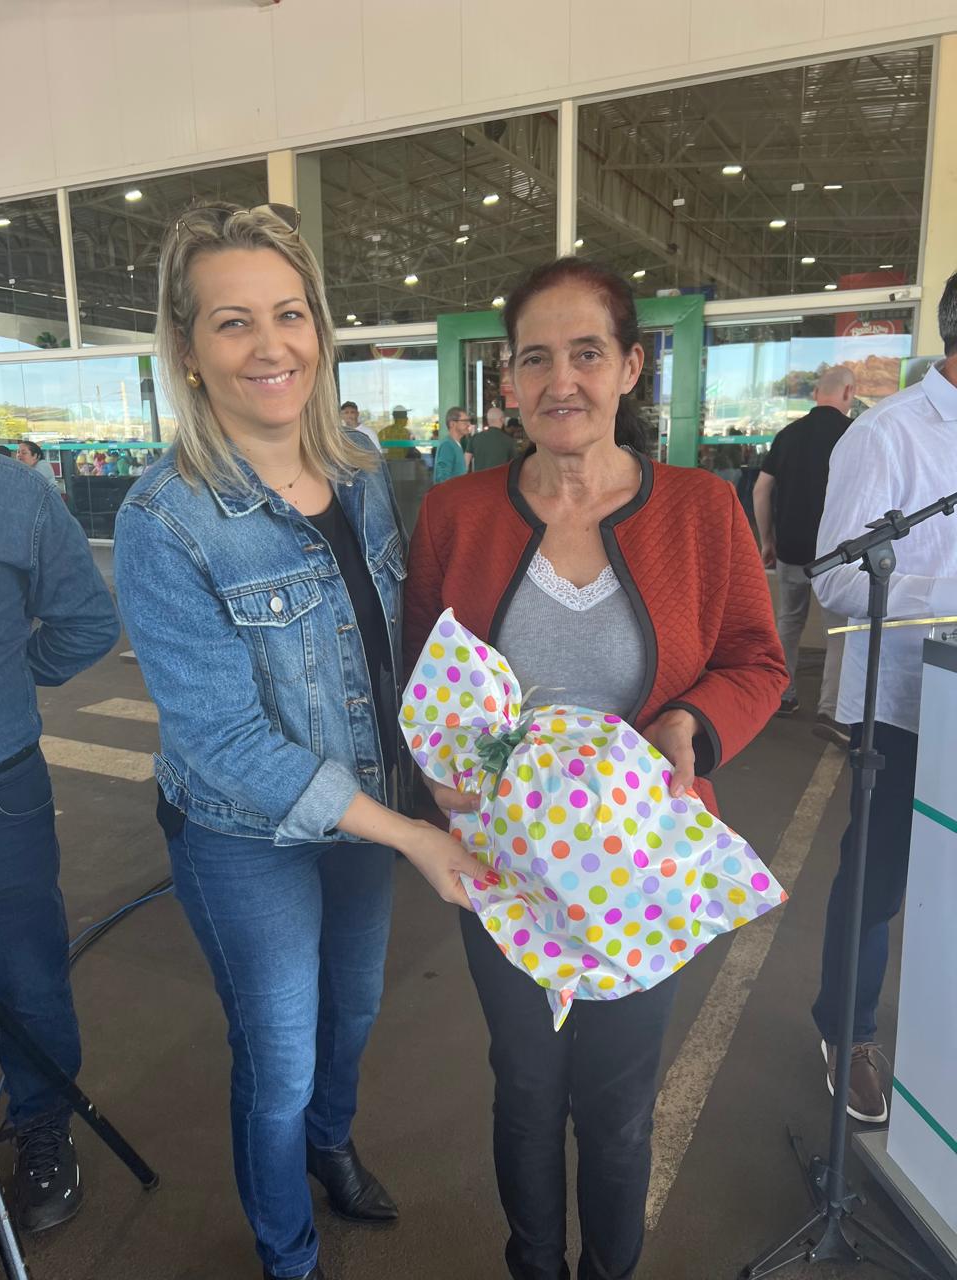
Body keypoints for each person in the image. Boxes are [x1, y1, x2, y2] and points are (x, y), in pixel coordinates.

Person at [113, 203, 481, 1280]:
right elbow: (223, 737)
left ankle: (331, 1141)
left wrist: (447, 783)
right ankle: (289, 1252)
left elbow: (392, 653)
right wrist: (408, 834)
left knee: (351, 1013)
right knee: (275, 1058)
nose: (269, 345)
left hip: (365, 808)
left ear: (318, 327)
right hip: (242, 834)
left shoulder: (360, 469)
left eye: (288, 314)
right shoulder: (164, 519)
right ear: (188, 348)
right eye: (232, 322)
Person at [405, 257, 788, 1280]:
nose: (560, 380)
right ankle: (534, 1264)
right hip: (504, 865)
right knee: (526, 1089)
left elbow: (757, 659)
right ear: (509, 381)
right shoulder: (455, 514)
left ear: (629, 367)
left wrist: (691, 724)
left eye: (586, 353)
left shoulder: (702, 510)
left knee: (617, 1105)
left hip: (642, 862)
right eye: (535, 358)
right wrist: (439, 773)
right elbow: (420, 674)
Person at [810, 270, 957, 1125]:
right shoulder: (888, 433)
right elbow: (835, 576)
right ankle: (850, 1029)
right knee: (881, 874)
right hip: (906, 702)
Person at [0, 453, 120, 1233]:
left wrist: (11, 675)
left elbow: (88, 622)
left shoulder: (15, 496)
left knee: (26, 970)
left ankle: (42, 1122)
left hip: (2, 786)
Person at [753, 365, 856, 744]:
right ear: (848, 393)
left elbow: (761, 490)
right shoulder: (855, 434)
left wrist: (767, 539)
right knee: (840, 632)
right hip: (838, 555)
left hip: (791, 550)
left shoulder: (788, 435)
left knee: (788, 622)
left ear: (815, 395)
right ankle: (831, 710)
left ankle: (783, 695)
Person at [469, 405, 519, 472]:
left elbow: (465, 463)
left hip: (478, 478)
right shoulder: (509, 440)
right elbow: (515, 465)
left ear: (487, 420)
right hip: (500, 478)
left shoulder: (475, 438)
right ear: (502, 419)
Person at [432, 406, 471, 484]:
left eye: (469, 421)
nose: (469, 424)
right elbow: (442, 479)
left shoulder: (456, 444)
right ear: (452, 424)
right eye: (464, 421)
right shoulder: (447, 445)